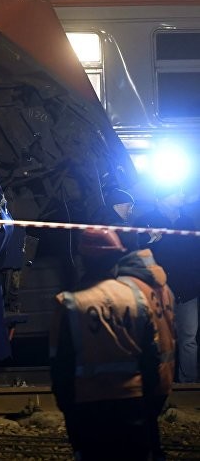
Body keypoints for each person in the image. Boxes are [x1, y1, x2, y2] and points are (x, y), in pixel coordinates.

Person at [50, 228, 174, 461]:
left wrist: (68, 409)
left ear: (83, 259)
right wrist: (148, 402)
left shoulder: (68, 303)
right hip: (132, 401)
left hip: (88, 405)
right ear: (115, 258)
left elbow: (61, 365)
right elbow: (150, 356)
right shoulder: (135, 297)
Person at [136, 185, 200, 383]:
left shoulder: (188, 222)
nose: (181, 194)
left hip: (187, 290)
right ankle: (160, 384)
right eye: (176, 191)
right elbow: (136, 253)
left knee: (189, 339)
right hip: (159, 291)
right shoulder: (146, 222)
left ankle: (188, 385)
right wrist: (149, 240)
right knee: (160, 339)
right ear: (162, 197)